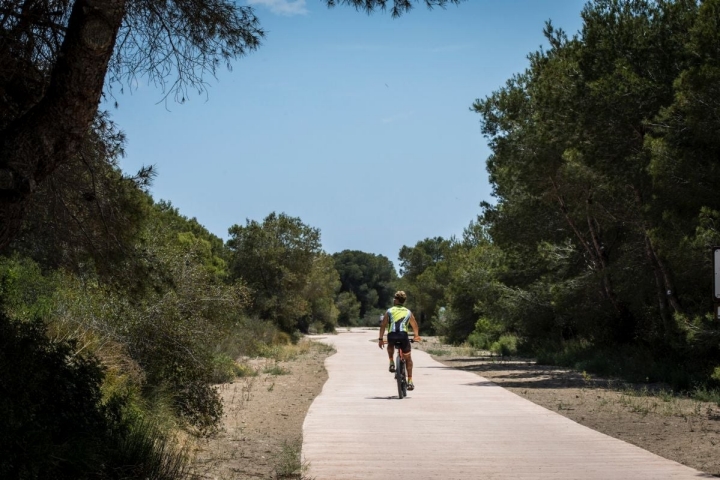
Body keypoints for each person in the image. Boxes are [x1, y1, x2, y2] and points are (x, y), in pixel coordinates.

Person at [378, 290, 421, 390]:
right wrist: (416, 336)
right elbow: (414, 325)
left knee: (390, 344)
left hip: (392, 335)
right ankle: (410, 381)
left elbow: (383, 325)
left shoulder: (389, 311)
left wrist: (380, 339)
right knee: (408, 358)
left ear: (396, 300)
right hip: (403, 336)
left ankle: (391, 362)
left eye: (394, 298)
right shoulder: (408, 312)